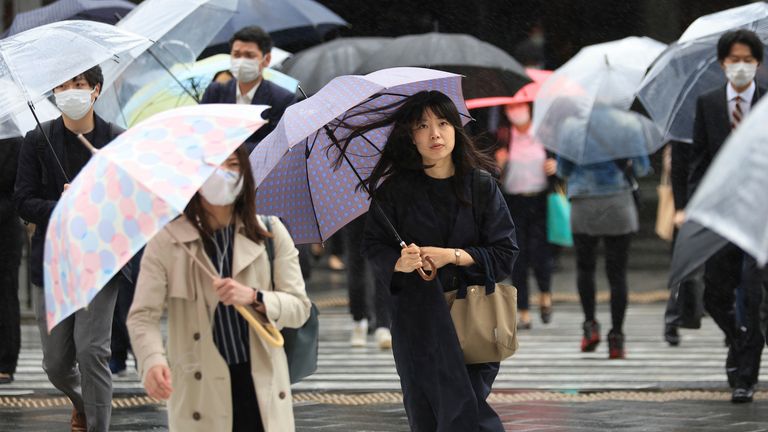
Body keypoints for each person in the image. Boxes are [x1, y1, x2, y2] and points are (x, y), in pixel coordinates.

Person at [360, 91, 518, 431]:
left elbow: (505, 254)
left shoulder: (481, 187)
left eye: (443, 123)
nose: (435, 134)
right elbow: (374, 245)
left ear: (456, 130)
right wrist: (399, 263)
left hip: (472, 316)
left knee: (467, 410)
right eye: (423, 126)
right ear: (410, 136)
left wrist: (454, 257)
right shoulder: (394, 192)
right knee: (426, 412)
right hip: (418, 320)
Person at [127, 146, 311, 432]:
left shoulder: (270, 233)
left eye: (233, 164)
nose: (223, 173)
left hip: (261, 386)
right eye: (213, 166)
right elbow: (143, 315)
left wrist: (254, 297)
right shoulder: (167, 241)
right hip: (200, 391)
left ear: (245, 174)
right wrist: (152, 360)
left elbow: (299, 308)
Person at [14, 66, 128, 431]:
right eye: (62, 85)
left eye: (78, 84)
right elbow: (23, 200)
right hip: (52, 262)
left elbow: (128, 204)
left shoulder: (114, 139)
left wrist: (93, 200)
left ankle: (98, 425)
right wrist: (62, 207)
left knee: (93, 351)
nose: (70, 92)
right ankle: (82, 403)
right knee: (57, 364)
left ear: (95, 90)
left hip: (99, 262)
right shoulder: (38, 139)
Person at [686, 29, 765, 403]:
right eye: (734, 60)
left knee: (752, 293)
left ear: (759, 63)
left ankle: (745, 377)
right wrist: (692, 211)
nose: (741, 67)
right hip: (720, 216)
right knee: (715, 295)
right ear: (721, 63)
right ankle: (740, 342)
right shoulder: (708, 103)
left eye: (748, 60)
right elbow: (698, 160)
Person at [557, 152, 650, 359]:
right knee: (617, 272)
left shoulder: (572, 128)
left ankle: (590, 327)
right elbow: (642, 169)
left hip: (583, 202)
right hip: (618, 201)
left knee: (585, 266)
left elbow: (562, 170)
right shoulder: (628, 126)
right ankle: (617, 338)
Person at [495, 102, 556, 329]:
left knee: (541, 251)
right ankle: (523, 311)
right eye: (511, 107)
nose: (516, 110)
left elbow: (558, 163)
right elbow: (492, 177)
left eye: (520, 106)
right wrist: (499, 165)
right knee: (517, 254)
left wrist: (554, 166)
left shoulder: (543, 134)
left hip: (540, 200)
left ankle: (545, 295)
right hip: (514, 202)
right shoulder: (503, 137)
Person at [201, 26, 297, 153]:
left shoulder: (282, 98)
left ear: (266, 59)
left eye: (249, 55)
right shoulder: (215, 91)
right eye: (236, 55)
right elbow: (201, 132)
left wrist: (229, 149)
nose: (241, 61)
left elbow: (277, 146)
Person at [344, 215, 392, 348]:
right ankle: (359, 319)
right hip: (354, 206)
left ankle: (383, 324)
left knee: (383, 262)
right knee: (357, 263)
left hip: (382, 204)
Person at [0, 137, 23, 385]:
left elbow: (17, 190)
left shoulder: (13, 140)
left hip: (5, 231)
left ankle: (6, 361)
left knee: (6, 295)